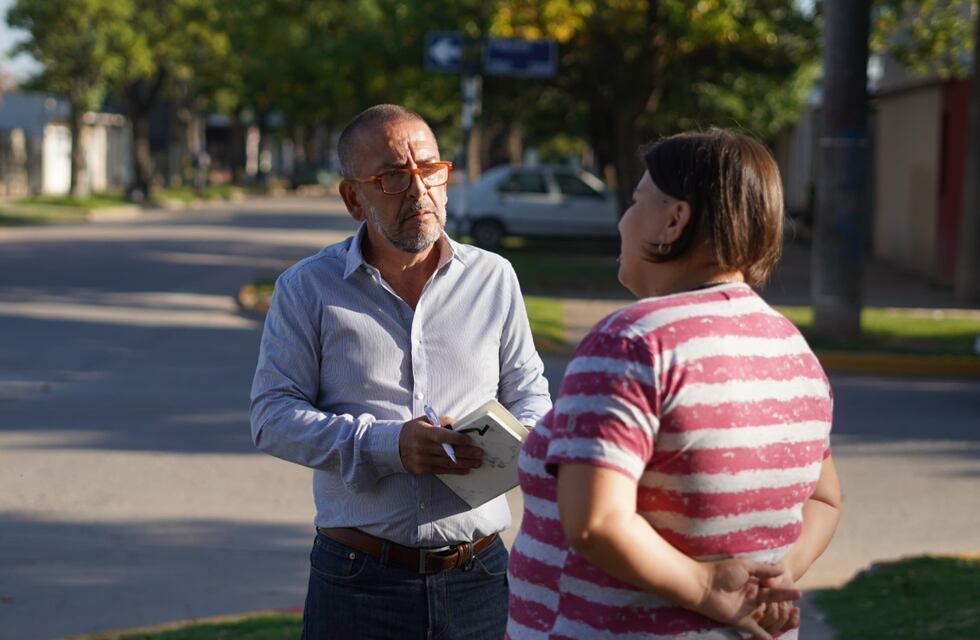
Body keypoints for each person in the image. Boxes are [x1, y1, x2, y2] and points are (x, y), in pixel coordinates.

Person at [506, 129, 842, 640]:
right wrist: (774, 579)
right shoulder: (791, 346)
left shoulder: (631, 343)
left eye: (637, 200)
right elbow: (824, 500)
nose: (622, 219)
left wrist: (711, 589)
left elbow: (596, 523)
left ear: (674, 219)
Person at [250, 104, 551, 639]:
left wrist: (507, 442)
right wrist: (390, 446)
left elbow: (531, 397)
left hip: (479, 576)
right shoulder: (308, 288)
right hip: (358, 582)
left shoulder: (494, 278)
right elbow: (272, 416)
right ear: (353, 199)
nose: (419, 191)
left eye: (430, 170)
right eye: (392, 177)